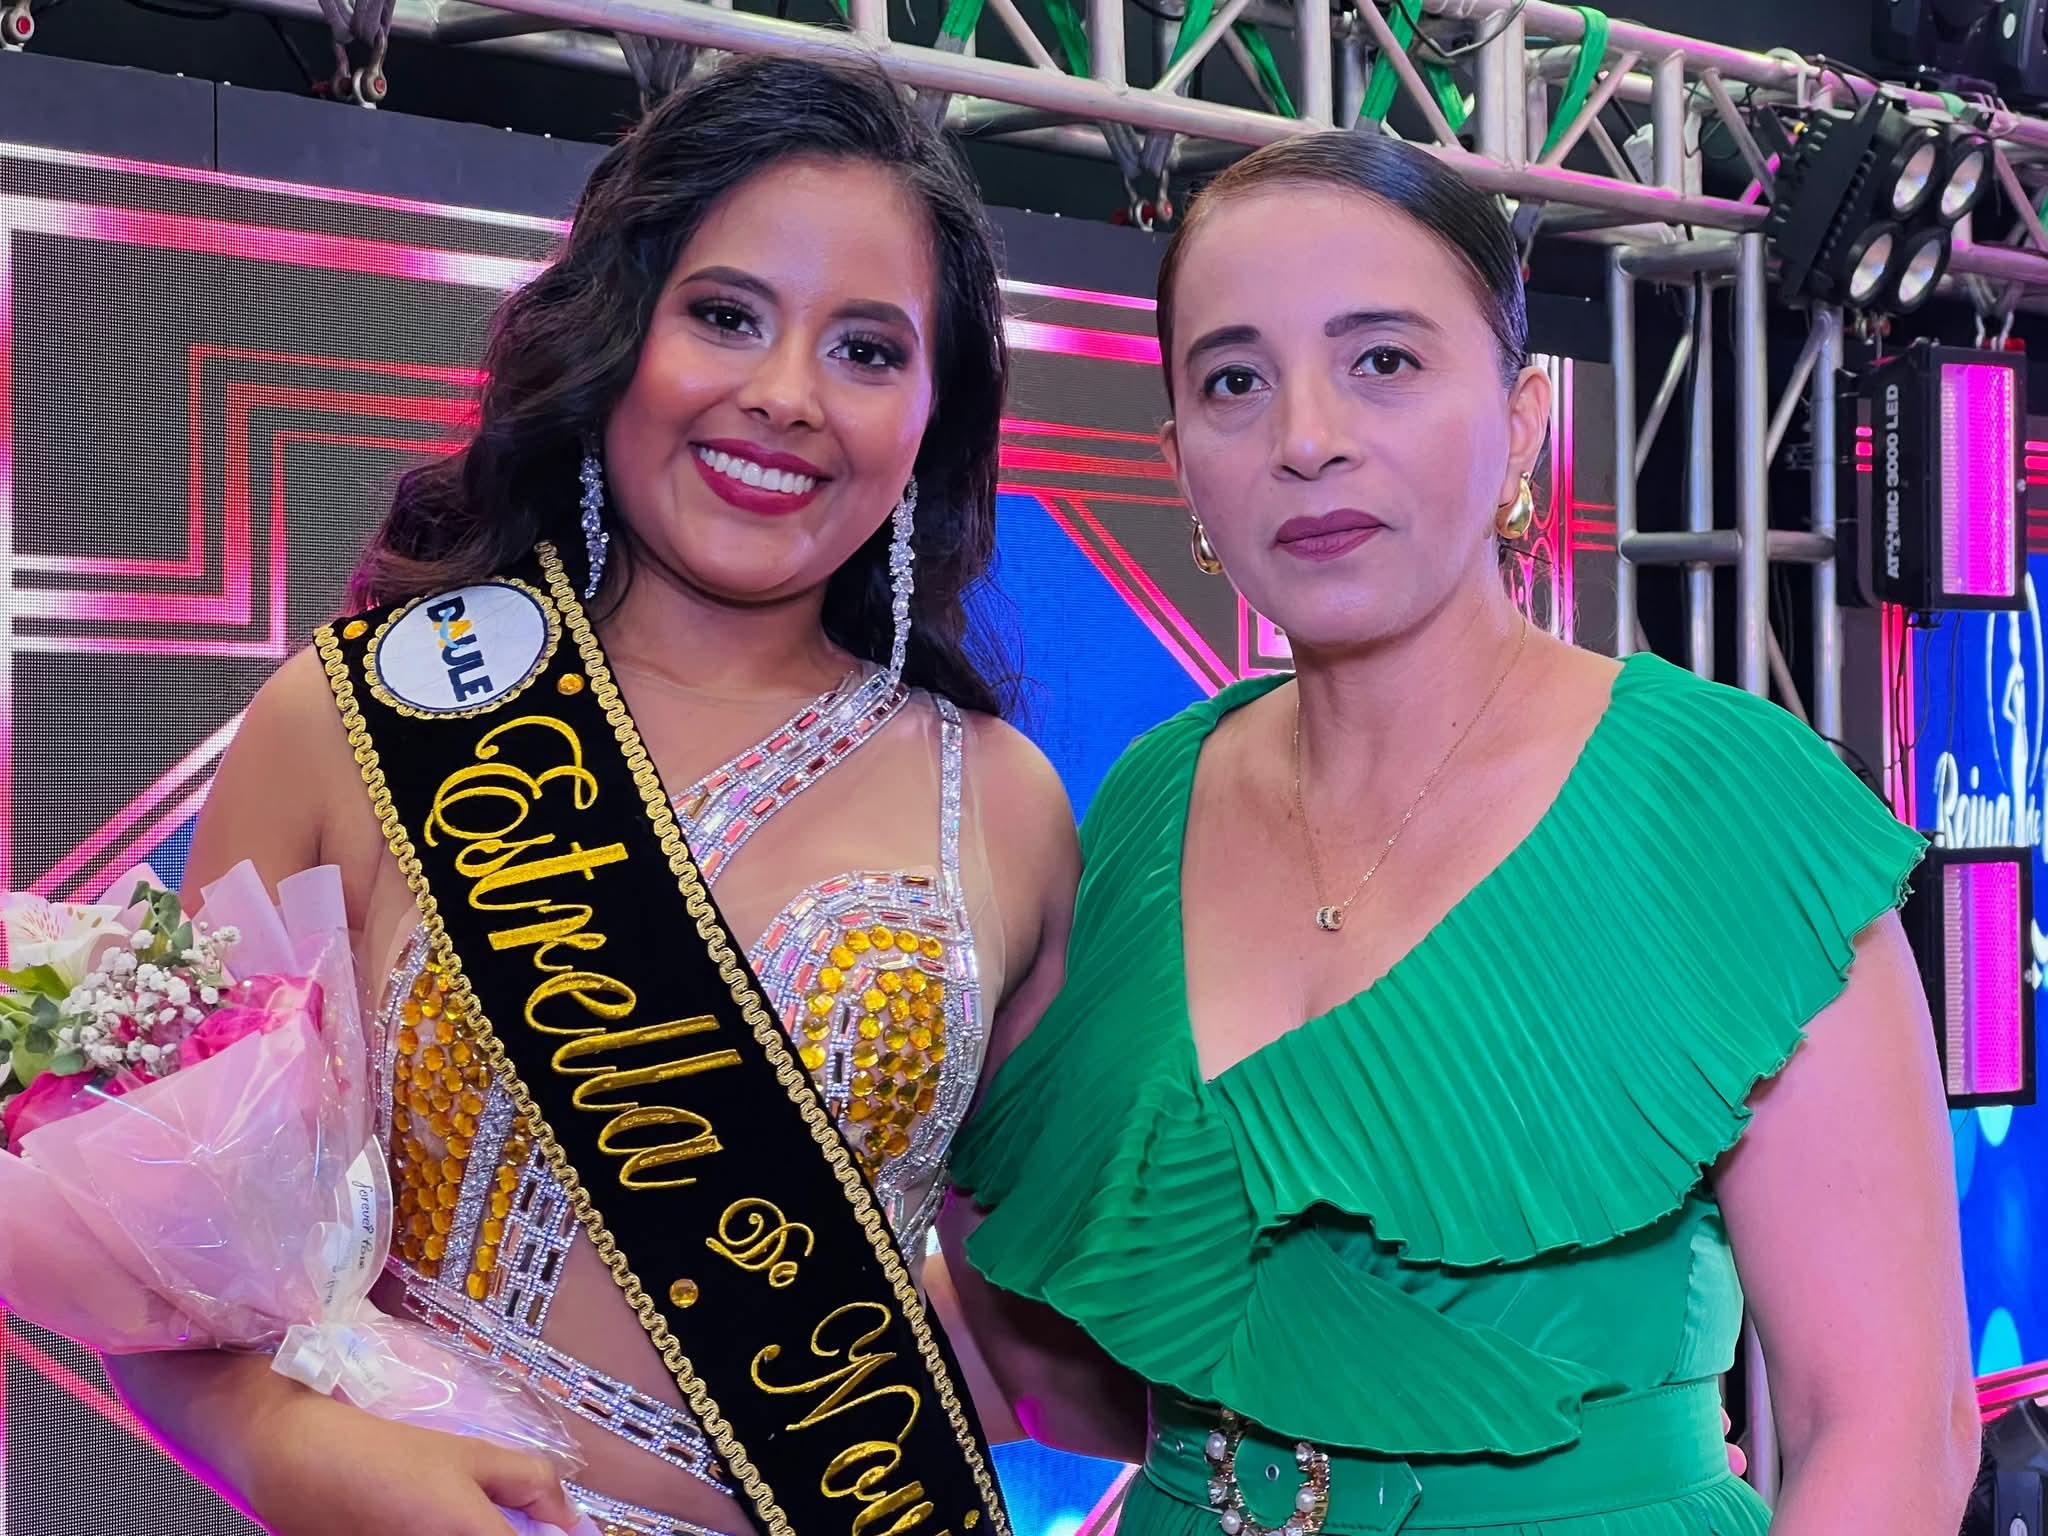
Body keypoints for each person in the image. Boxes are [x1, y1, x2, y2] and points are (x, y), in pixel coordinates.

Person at [942, 131, 1984, 1535]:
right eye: (1236, 381)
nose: (1307, 437)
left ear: (1524, 420)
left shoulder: (1722, 800)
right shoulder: (1145, 802)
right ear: (1177, 455)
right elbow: (1071, 1363)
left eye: (1384, 359)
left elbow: (1892, 1436)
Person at [102, 53, 1078, 1536]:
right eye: (725, 315)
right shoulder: (352, 719)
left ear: (934, 418)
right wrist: (294, 1449)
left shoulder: (1003, 803)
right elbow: (162, 1270)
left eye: (868, 349)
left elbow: (1042, 1335)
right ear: (617, 331)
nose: (786, 395)